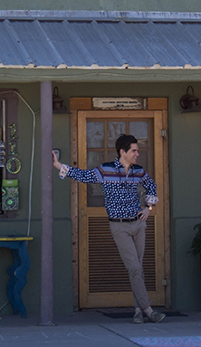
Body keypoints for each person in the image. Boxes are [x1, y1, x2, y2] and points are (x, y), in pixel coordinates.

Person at [52, 134, 165, 324]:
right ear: (123, 152)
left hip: (138, 223)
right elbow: (85, 176)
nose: (137, 154)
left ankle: (138, 311)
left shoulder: (138, 171)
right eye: (134, 151)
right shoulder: (106, 169)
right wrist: (58, 166)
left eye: (137, 150)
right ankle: (148, 310)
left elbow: (151, 185)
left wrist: (149, 208)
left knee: (137, 268)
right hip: (119, 226)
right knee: (135, 267)